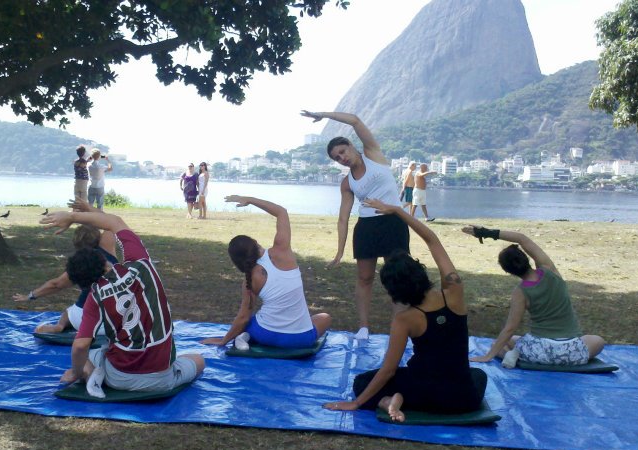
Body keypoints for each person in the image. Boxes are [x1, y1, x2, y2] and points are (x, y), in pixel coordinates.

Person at [323, 199, 486, 422]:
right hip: (463, 399)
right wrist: (399, 211)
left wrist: (357, 403)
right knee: (477, 376)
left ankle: (391, 399)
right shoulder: (454, 290)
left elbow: (388, 370)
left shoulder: (405, 319)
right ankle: (400, 397)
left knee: (362, 382)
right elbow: (432, 240)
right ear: (420, 272)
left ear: (395, 291)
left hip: (424, 391)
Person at [40, 206, 205, 393]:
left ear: (84, 283)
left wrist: (75, 372)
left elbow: (79, 345)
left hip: (119, 378)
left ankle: (88, 374)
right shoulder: (142, 264)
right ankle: (94, 372)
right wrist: (72, 217)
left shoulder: (95, 297)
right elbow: (115, 222)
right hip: (160, 379)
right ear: (104, 260)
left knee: (88, 357)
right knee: (199, 360)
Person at [300, 110, 408, 341]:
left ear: (350, 145)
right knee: (364, 278)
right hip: (367, 228)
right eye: (337, 158)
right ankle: (363, 327)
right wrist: (340, 251)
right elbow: (343, 218)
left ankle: (400, 325)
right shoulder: (347, 182)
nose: (342, 158)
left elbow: (355, 120)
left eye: (342, 151)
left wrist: (323, 114)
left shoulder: (373, 154)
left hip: (393, 224)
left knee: (397, 276)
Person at [200, 195, 331, 350]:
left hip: (265, 334)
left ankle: (246, 336)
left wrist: (224, 341)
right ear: (255, 242)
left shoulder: (250, 278)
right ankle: (250, 335)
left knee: (250, 321)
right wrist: (249, 200)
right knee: (325, 318)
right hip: (300, 340)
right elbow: (281, 212)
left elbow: (243, 318)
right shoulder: (281, 250)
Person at [464, 226, 606, 367]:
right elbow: (522, 238)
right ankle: (521, 354)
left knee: (501, 342)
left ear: (508, 271)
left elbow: (510, 328)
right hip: (571, 353)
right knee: (597, 340)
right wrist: (485, 232)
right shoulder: (550, 270)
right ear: (527, 259)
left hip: (538, 353)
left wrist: (488, 356)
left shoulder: (520, 292)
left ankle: (512, 355)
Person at [13, 215, 119, 334]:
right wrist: (81, 214)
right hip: (117, 322)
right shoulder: (108, 247)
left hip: (85, 322)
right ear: (99, 238)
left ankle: (60, 326)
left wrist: (30, 296)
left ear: (76, 244)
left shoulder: (81, 264)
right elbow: (111, 221)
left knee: (69, 311)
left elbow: (56, 284)